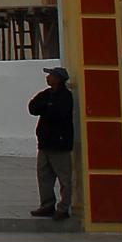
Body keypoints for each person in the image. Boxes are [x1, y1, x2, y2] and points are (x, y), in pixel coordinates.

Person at [27, 66, 76, 220]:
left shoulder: (65, 96)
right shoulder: (47, 94)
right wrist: (46, 107)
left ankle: (64, 207)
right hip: (45, 143)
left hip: (59, 144)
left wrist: (46, 108)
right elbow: (33, 107)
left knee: (64, 178)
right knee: (44, 176)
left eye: (51, 75)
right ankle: (47, 204)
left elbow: (57, 113)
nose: (47, 77)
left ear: (58, 78)